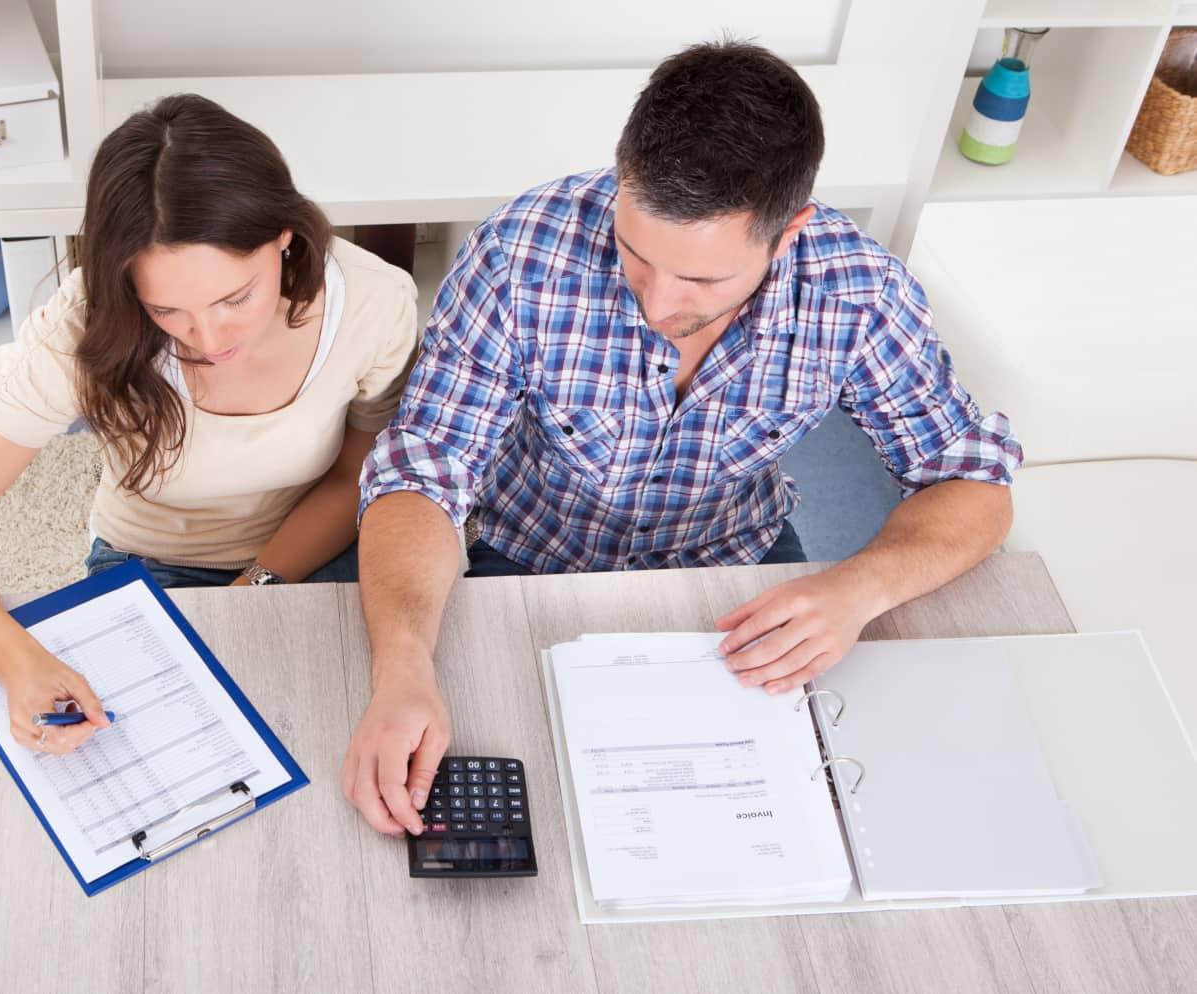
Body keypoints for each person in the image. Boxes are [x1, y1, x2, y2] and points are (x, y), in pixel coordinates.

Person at [340, 41, 1022, 836]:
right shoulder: (518, 253)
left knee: (820, 812)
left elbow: (970, 480)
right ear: (623, 176)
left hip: (737, 561)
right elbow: (423, 469)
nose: (659, 301)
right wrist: (400, 666)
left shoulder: (859, 290)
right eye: (635, 254)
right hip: (523, 548)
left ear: (788, 230)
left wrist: (857, 588)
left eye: (701, 280)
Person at [0, 94, 419, 757]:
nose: (209, 336)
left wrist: (255, 586)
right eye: (166, 309)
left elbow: (357, 475)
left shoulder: (374, 302)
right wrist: (15, 657)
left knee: (379, 736)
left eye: (235, 297)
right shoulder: (83, 325)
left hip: (316, 547)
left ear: (285, 239)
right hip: (155, 563)